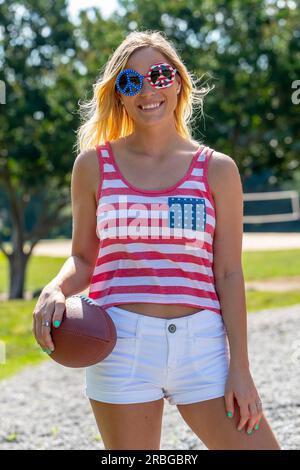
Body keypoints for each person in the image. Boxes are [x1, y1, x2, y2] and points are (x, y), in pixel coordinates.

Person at [32, 30, 281, 450]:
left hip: (202, 344)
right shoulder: (93, 166)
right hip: (120, 343)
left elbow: (228, 272)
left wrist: (241, 367)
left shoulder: (217, 170)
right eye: (131, 82)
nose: (147, 90)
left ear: (178, 81)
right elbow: (82, 257)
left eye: (159, 75)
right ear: (119, 95)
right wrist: (54, 288)